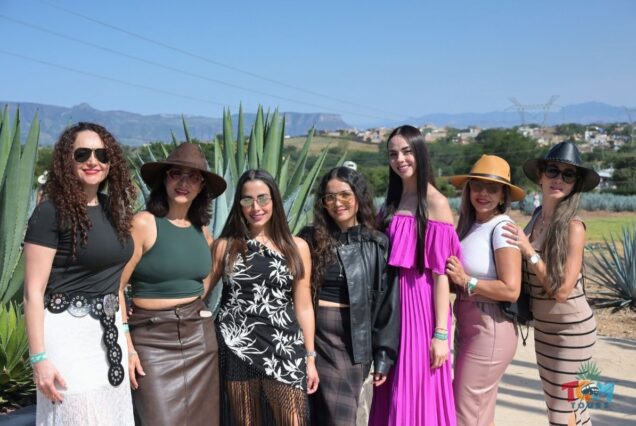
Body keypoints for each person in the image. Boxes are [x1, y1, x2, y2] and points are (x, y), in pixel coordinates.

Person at [23, 122, 136, 425]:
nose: (93, 161)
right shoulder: (50, 213)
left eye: (102, 154)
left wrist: (126, 338)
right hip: (68, 339)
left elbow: (116, 283)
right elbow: (32, 293)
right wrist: (38, 359)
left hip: (109, 338)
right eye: (82, 153)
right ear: (65, 160)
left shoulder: (115, 210)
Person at [119, 143, 227, 425]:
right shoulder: (143, 223)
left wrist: (196, 309)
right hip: (151, 339)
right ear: (163, 179)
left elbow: (205, 280)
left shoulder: (202, 230)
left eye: (193, 177)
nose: (183, 183)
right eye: (175, 174)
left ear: (202, 186)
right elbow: (116, 287)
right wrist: (127, 345)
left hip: (198, 338)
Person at [210, 169, 319, 426]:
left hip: (285, 347)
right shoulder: (224, 246)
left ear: (275, 202)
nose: (255, 207)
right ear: (239, 205)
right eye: (247, 200)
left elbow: (303, 306)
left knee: (293, 421)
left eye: (263, 198)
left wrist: (310, 358)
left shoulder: (296, 247)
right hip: (238, 346)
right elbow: (199, 293)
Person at [503, 141, 600, 426]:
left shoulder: (574, 226)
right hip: (545, 332)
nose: (559, 179)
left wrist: (529, 251)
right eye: (553, 170)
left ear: (575, 183)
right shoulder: (535, 218)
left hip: (574, 334)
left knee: (565, 412)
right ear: (541, 176)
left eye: (568, 175)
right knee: (570, 409)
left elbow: (561, 291)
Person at [369, 125, 460, 426]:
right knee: (391, 389)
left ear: (420, 152)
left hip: (422, 308)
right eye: (393, 154)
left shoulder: (436, 203)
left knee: (417, 390)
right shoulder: (390, 204)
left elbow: (440, 276)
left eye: (407, 151)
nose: (400, 159)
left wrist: (441, 334)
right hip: (393, 306)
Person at [298, 166, 399, 426]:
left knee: (342, 417)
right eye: (329, 197)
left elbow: (389, 304)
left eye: (344, 194)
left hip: (354, 344)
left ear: (358, 195)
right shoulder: (309, 239)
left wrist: (384, 356)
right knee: (312, 415)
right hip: (314, 339)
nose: (337, 203)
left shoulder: (377, 243)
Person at [444, 155, 525, 426]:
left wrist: (467, 281)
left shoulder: (502, 228)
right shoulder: (469, 226)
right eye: (477, 186)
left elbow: (511, 289)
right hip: (471, 325)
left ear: (503, 195)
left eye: (492, 189)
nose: (483, 194)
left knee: (465, 412)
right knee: (478, 411)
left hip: (490, 328)